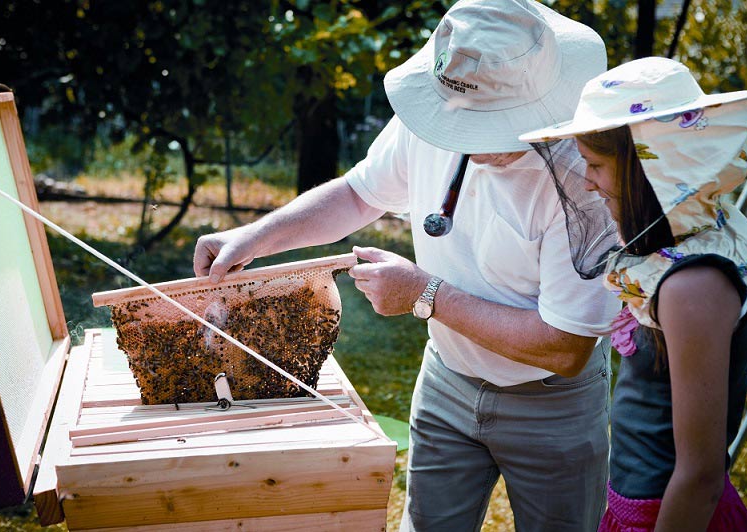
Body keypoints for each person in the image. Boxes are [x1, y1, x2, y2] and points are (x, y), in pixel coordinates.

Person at [195, 1, 621, 529]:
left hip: (552, 407)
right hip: (446, 382)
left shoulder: (589, 184)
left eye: (490, 125)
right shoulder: (440, 110)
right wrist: (253, 237)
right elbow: (357, 196)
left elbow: (564, 347)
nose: (468, 139)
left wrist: (426, 295)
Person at [520, 56, 747, 531]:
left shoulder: (691, 286)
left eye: (596, 165)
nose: (587, 182)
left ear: (648, 166)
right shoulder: (686, 252)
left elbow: (699, 475)